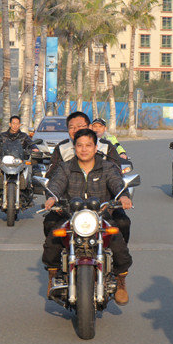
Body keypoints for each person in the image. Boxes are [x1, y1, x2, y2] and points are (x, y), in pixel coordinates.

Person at [42, 128, 133, 305]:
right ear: (74, 147)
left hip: (101, 215)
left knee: (119, 235)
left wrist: (123, 196)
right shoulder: (65, 167)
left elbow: (117, 182)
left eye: (88, 145)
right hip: (71, 215)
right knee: (52, 231)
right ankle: (53, 274)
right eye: (80, 145)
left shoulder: (107, 167)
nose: (84, 149)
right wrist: (52, 197)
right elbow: (56, 184)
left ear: (95, 146)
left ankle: (120, 279)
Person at [48, 111, 122, 172]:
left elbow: (116, 173)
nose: (76, 130)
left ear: (89, 127)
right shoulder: (61, 147)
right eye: (72, 127)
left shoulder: (106, 146)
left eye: (80, 126)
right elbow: (52, 174)